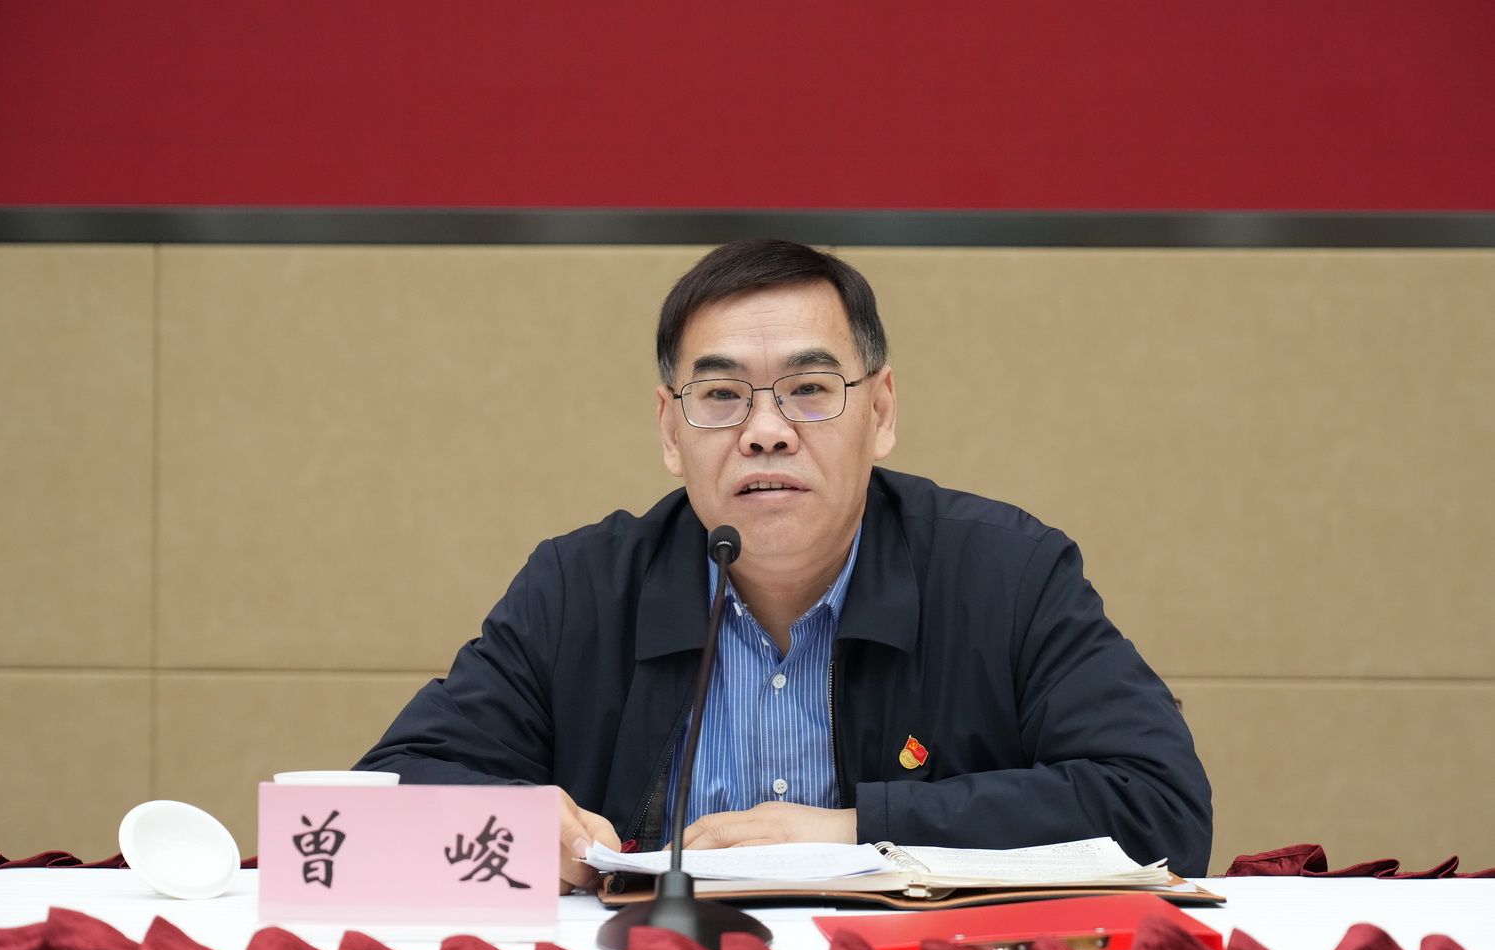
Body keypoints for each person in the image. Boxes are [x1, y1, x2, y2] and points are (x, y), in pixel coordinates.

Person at [356, 239, 1213, 891]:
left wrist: (857, 832)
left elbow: (1160, 807)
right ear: (670, 431)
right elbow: (364, 814)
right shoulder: (578, 592)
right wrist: (504, 821)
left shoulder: (1004, 576)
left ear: (881, 412)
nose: (766, 431)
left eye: (809, 390)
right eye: (721, 396)